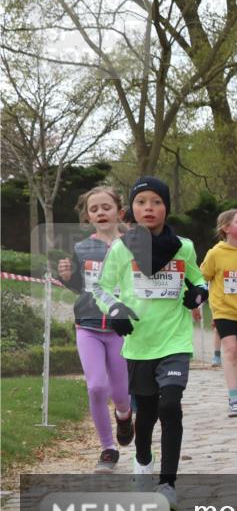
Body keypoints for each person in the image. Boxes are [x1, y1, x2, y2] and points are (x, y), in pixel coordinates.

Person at [93, 176, 207, 511]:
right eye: (142, 202)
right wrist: (114, 309)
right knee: (146, 417)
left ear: (166, 208)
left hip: (174, 341)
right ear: (133, 210)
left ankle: (168, 485)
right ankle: (143, 461)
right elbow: (100, 288)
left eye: (156, 202)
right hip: (139, 345)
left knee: (170, 404)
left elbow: (198, 278)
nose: (149, 208)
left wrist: (198, 293)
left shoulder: (183, 246)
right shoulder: (121, 248)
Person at [57, 186, 133, 473]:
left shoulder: (132, 245)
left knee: (121, 393)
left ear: (119, 212)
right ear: (88, 217)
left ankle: (124, 416)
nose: (100, 212)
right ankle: (108, 448)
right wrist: (67, 277)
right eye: (94, 209)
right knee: (96, 386)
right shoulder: (81, 248)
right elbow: (79, 288)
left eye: (106, 207)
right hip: (87, 326)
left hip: (120, 329)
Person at [199, 209, 237, 417]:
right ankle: (233, 397)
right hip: (223, 310)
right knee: (230, 350)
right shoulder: (215, 253)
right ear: (226, 228)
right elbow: (203, 275)